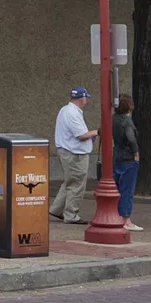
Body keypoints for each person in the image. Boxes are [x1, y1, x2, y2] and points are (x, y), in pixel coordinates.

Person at [51, 87, 97, 225]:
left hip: (68, 151)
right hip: (75, 154)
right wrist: (96, 132)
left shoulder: (65, 110)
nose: (86, 100)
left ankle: (57, 209)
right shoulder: (73, 113)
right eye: (86, 98)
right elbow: (81, 135)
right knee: (77, 184)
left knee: (70, 182)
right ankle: (71, 214)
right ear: (82, 98)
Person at [113, 94, 143, 232]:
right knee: (127, 190)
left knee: (116, 188)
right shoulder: (127, 121)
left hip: (116, 157)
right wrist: (136, 153)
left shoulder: (113, 119)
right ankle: (126, 219)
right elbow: (130, 138)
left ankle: (116, 215)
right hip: (128, 158)